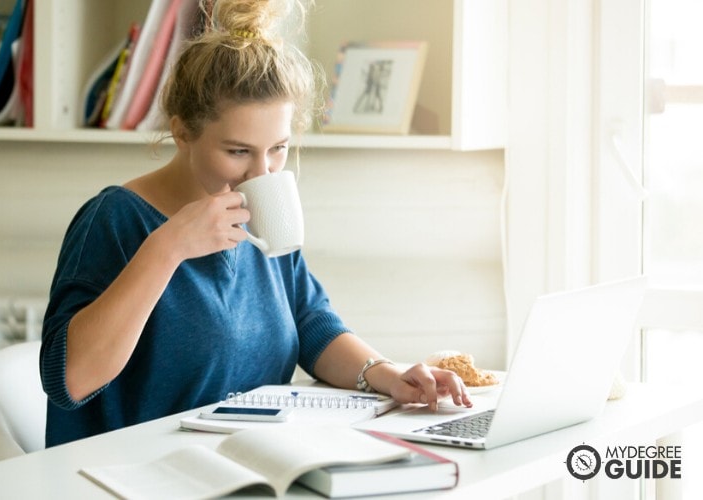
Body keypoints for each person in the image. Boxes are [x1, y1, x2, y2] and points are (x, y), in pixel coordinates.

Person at [40, 0, 472, 447]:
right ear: (183, 131)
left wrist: (384, 373)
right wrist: (168, 248)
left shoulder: (260, 213)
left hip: (244, 464)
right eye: (238, 151)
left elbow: (309, 321)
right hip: (129, 475)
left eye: (278, 148)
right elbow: (69, 380)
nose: (262, 174)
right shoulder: (114, 219)